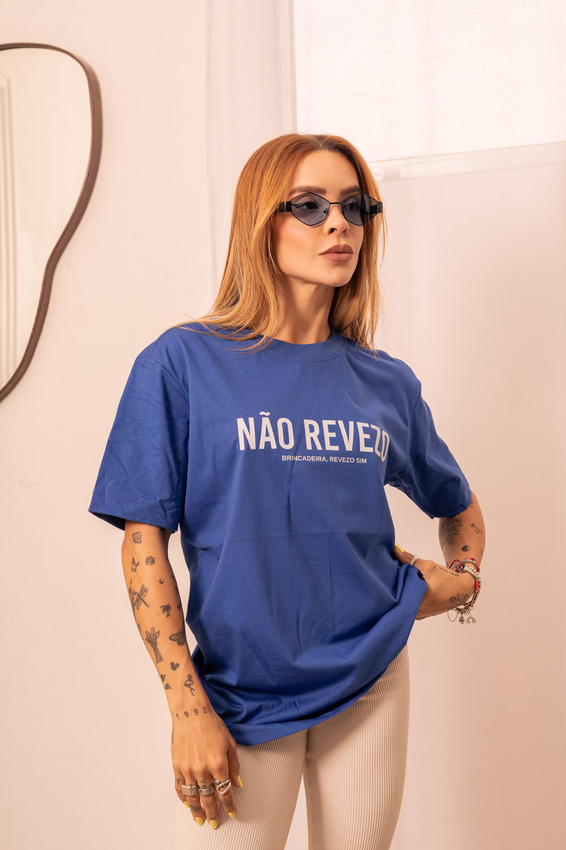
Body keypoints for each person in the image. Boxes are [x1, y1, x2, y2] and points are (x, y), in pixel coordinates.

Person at [88, 133, 485, 850]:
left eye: (355, 207)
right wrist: (187, 708)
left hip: (371, 670)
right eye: (309, 206)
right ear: (259, 221)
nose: (340, 225)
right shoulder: (182, 362)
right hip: (239, 689)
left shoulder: (385, 381)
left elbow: (456, 504)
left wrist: (462, 579)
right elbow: (143, 543)